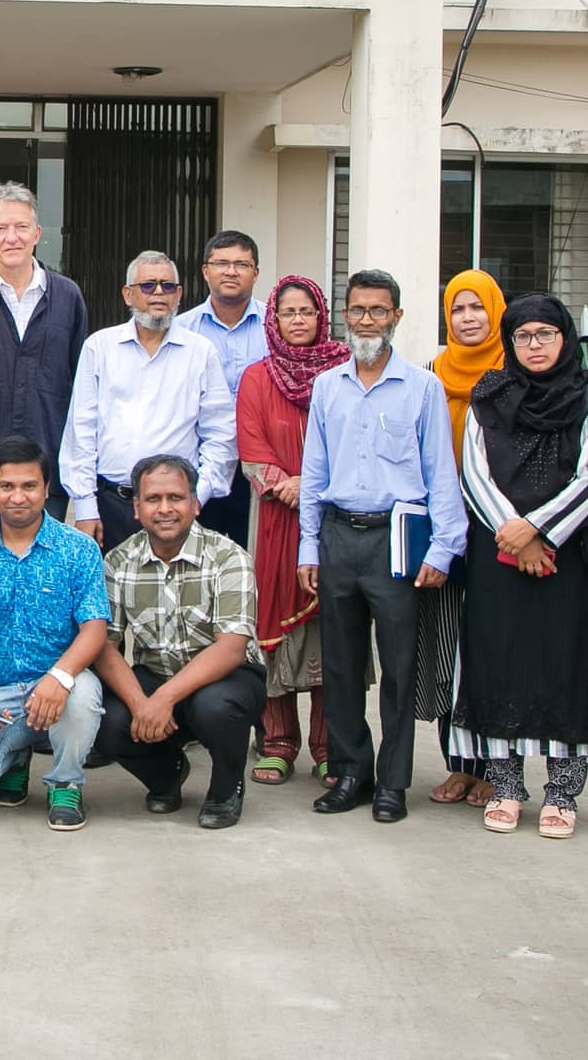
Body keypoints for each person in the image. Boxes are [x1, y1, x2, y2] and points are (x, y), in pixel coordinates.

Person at [450, 294, 588, 840]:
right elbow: (473, 472)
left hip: (568, 556)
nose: (534, 346)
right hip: (499, 554)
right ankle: (505, 786)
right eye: (524, 336)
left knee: (566, 661)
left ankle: (562, 792)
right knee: (499, 658)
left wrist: (540, 531)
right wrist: (513, 534)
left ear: (564, 338)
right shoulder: (490, 396)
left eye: (545, 335)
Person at [297, 268, 462, 825]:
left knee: (398, 666)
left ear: (396, 316)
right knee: (340, 665)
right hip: (340, 534)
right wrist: (309, 549)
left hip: (398, 536)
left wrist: (443, 549)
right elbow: (313, 472)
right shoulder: (328, 386)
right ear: (345, 316)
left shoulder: (422, 387)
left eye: (378, 310)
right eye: (358, 310)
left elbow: (442, 474)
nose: (367, 320)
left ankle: (393, 781)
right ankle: (351, 772)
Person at [0, 437, 111, 832]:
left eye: (29, 486)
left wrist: (59, 677)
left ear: (47, 489)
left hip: (64, 685)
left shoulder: (79, 550)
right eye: (7, 486)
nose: (18, 497)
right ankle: (16, 758)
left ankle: (66, 781)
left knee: (82, 695)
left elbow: (95, 628)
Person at [90, 456, 267, 829]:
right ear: (136, 508)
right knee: (102, 716)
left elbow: (231, 647)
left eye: (177, 497)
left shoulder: (228, 557)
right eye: (153, 499)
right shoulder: (118, 561)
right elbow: (105, 645)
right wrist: (141, 704)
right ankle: (166, 776)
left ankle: (225, 789)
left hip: (224, 679)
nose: (165, 508)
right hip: (155, 674)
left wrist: (163, 700)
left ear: (195, 503)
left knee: (215, 707)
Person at [232, 274, 347, 788]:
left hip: (334, 514)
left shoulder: (345, 370)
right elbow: (250, 448)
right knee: (271, 620)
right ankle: (277, 743)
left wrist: (315, 484)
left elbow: (353, 437)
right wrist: (287, 484)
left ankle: (330, 746)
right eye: (287, 313)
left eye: (306, 312)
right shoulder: (258, 377)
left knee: (331, 627)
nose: (297, 321)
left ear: (321, 316)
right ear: (273, 321)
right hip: (276, 516)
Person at [59, 252, 235, 552]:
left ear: (178, 294)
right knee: (111, 596)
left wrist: (195, 498)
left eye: (167, 286)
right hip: (111, 505)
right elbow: (81, 430)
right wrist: (86, 508)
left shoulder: (201, 352)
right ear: (128, 295)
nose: (158, 293)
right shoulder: (99, 347)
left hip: (176, 510)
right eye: (148, 285)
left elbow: (222, 435)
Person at [0, 182, 89, 541]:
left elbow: (80, 386)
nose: (12, 237)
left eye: (21, 227)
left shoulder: (68, 296)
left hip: (46, 473)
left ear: (37, 233)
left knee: (44, 578)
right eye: (1, 229)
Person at [425, 268, 508, 807]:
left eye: (478, 308)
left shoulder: (514, 367)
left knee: (494, 646)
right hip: (443, 524)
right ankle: (458, 763)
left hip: (499, 525)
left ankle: (498, 767)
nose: (469, 318)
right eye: (458, 309)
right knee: (447, 645)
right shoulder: (433, 372)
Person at [178, 230, 266, 548]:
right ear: (205, 271)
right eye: (222, 263)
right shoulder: (181, 329)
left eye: (242, 264)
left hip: (258, 471)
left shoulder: (276, 327)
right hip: (199, 465)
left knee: (254, 561)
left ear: (255, 272)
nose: (231, 271)